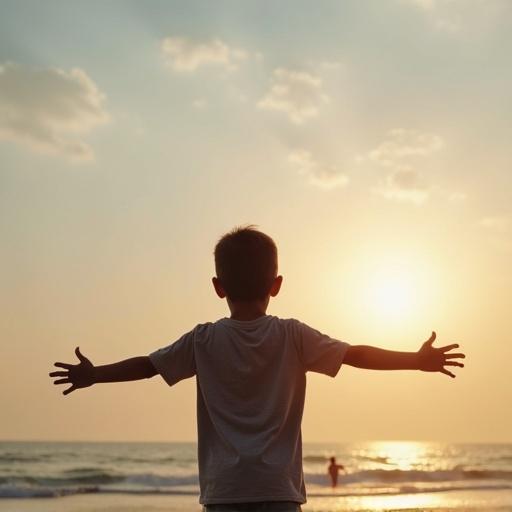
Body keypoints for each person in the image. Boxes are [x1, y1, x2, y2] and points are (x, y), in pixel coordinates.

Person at [49, 226, 465, 512]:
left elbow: (149, 366)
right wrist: (415, 360)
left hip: (223, 493)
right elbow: (355, 354)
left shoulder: (203, 339)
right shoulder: (292, 336)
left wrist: (95, 374)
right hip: (278, 492)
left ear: (218, 286)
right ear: (276, 284)